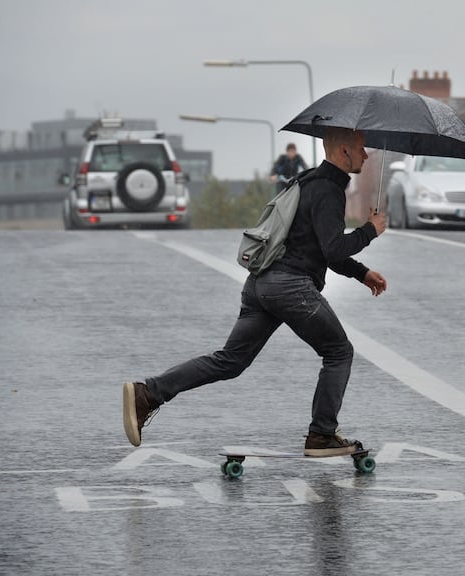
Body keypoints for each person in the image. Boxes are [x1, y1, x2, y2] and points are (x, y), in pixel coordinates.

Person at [123, 127, 387, 457]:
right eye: (361, 149)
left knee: (230, 361)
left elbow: (318, 249)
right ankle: (321, 434)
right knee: (339, 352)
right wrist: (370, 231)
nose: (365, 155)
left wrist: (361, 273)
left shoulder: (305, 181)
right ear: (344, 151)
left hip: (261, 283)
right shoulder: (329, 191)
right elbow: (333, 249)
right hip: (291, 288)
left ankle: (148, 393)